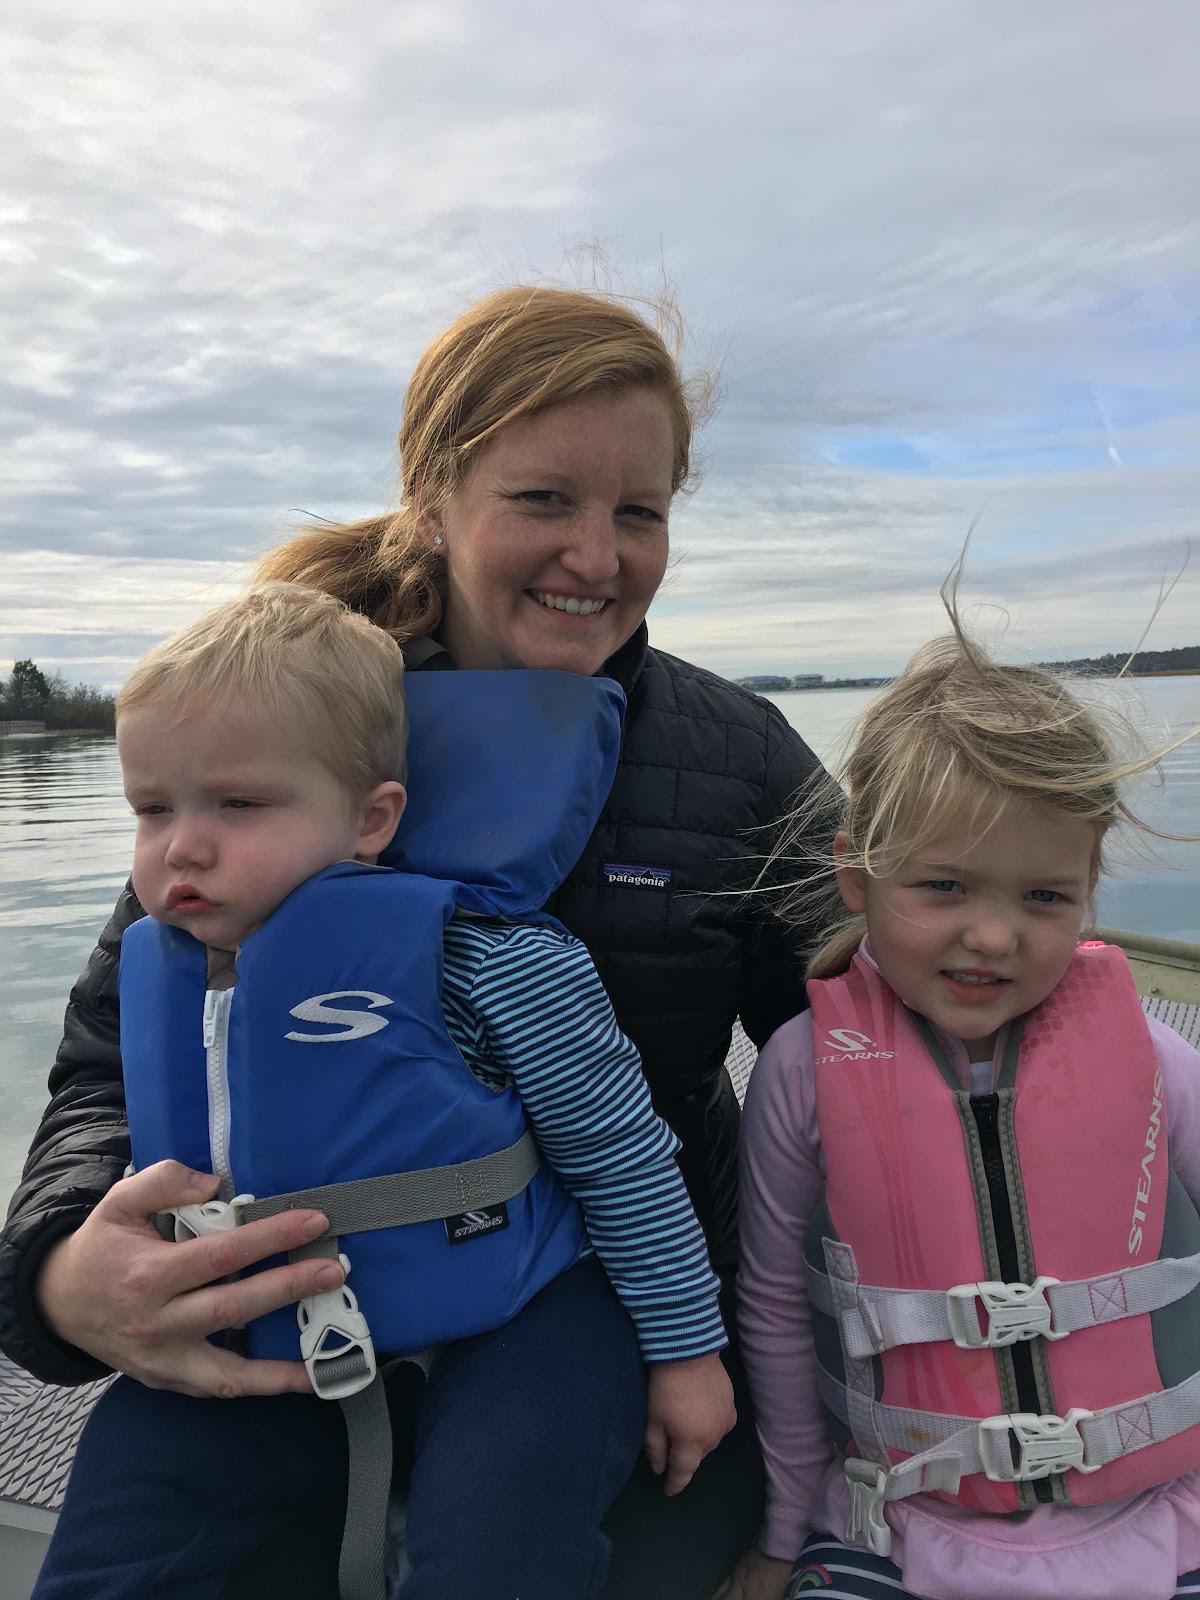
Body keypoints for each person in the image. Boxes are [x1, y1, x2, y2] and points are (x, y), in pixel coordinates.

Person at [0, 284, 827, 1599]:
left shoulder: (738, 758)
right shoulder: (270, 736)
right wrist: (58, 1273)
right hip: (277, 1314)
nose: (597, 557)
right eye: (544, 499)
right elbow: (110, 1066)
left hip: (605, 1326)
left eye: (640, 512)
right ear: (433, 500)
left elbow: (872, 1032)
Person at [32, 581, 733, 1600]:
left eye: (238, 804)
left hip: (521, 1317)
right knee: (117, 1524)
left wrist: (686, 1353)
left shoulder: (487, 961)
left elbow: (624, 1161)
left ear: (371, 818)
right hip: (269, 1322)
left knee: (503, 1543)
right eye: (153, 808)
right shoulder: (168, 974)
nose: (182, 845)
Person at [721, 595, 1200, 1600]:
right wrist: (782, 1525)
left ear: (1088, 889)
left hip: (1164, 1519)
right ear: (857, 872)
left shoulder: (1161, 1060)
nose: (992, 935)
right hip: (896, 1529)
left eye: (1043, 897)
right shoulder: (804, 1070)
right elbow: (771, 1305)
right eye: (944, 886)